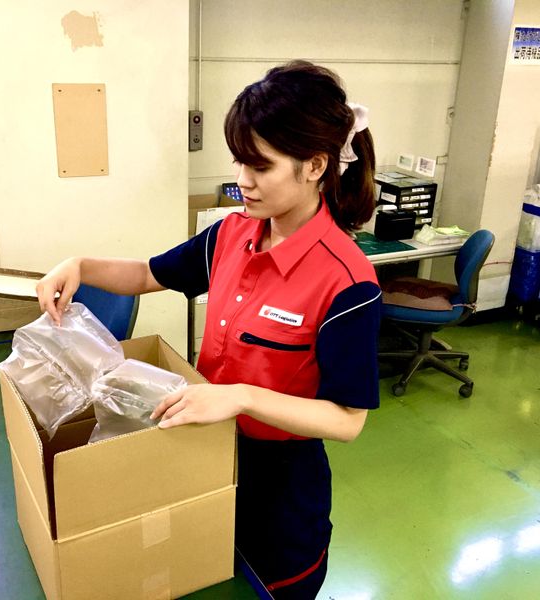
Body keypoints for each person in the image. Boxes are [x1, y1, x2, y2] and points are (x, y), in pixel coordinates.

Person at [36, 60, 381, 599]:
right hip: (200, 455)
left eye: (260, 166)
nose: (243, 180)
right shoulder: (232, 234)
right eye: (239, 160)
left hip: (279, 491)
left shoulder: (346, 281)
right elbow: (147, 274)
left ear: (315, 165)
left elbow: (347, 420)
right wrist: (79, 265)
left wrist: (241, 396)